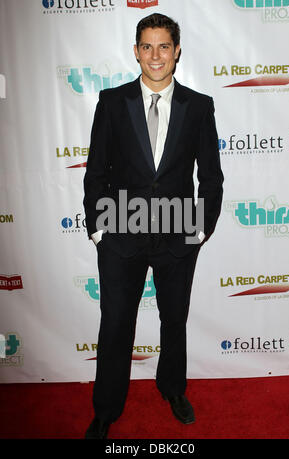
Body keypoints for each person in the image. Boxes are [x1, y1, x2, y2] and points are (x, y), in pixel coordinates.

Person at [83, 13, 223, 439]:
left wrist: (200, 229)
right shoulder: (112, 101)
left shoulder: (198, 106)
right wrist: (98, 228)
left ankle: (173, 388)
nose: (155, 55)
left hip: (178, 234)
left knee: (174, 319)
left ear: (177, 51)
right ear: (136, 52)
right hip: (121, 233)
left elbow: (210, 176)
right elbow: (96, 171)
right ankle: (106, 409)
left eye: (164, 46)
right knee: (115, 323)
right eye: (147, 46)